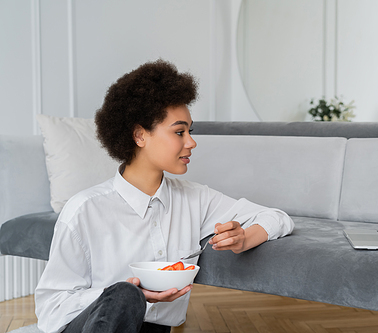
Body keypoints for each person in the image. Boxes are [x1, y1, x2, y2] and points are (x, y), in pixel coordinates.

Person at [34, 59, 294, 333]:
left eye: (189, 132)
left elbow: (278, 218)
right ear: (139, 135)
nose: (191, 142)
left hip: (154, 329)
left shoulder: (195, 199)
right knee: (125, 295)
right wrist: (127, 295)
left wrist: (244, 238)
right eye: (179, 132)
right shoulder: (84, 211)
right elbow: (50, 309)